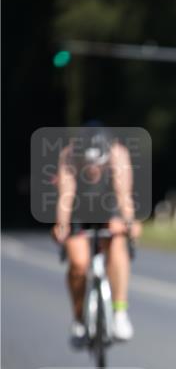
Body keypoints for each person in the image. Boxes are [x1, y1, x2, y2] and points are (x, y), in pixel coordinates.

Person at [51, 123, 142, 346]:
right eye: (88, 164)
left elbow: (123, 195)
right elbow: (66, 196)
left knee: (117, 242)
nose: (93, 170)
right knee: (79, 263)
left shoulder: (118, 153)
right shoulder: (70, 155)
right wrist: (61, 225)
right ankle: (79, 319)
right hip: (79, 207)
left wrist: (129, 223)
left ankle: (120, 313)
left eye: (97, 164)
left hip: (109, 206)